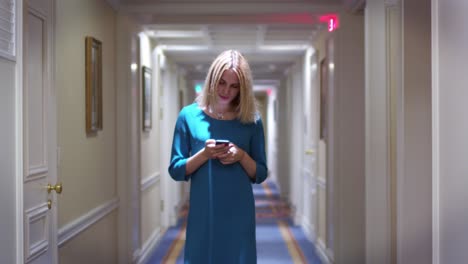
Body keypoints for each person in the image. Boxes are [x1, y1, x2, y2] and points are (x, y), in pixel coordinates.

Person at [168, 49, 268, 263]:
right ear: (212, 79)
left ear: (242, 89)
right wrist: (204, 154)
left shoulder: (251, 120)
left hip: (239, 213)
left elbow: (260, 173)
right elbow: (176, 170)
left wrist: (241, 156)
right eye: (221, 82)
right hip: (204, 213)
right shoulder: (189, 116)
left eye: (234, 86)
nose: (226, 91)